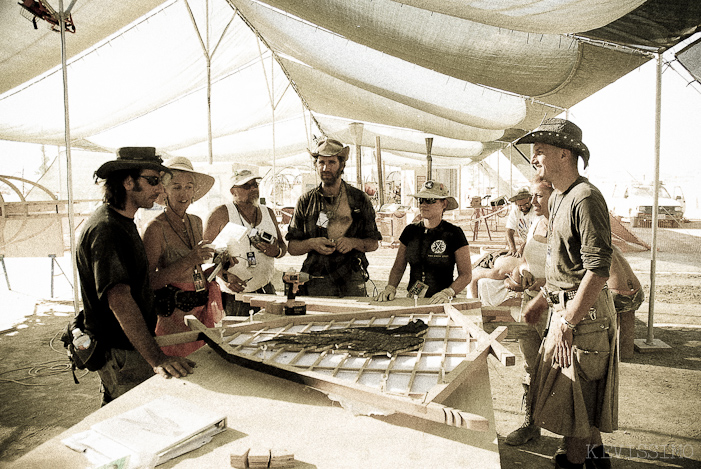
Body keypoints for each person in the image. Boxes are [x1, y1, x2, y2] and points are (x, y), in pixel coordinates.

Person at [516, 118, 617, 469]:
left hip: (583, 318)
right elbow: (564, 267)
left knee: (574, 413)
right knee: (580, 406)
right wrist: (543, 300)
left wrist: (568, 320)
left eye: (540, 151)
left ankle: (577, 462)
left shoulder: (585, 199)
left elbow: (598, 270)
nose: (535, 158)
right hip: (567, 311)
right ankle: (596, 459)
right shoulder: (559, 197)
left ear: (564, 153)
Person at [76, 147, 195, 405]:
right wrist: (157, 359)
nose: (160, 190)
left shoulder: (122, 221)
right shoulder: (107, 229)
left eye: (161, 182)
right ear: (128, 182)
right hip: (120, 350)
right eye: (153, 181)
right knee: (131, 419)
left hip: (128, 346)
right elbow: (119, 298)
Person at [142, 156, 223, 356]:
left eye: (189, 187)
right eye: (176, 187)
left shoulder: (196, 222)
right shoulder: (155, 228)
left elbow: (196, 270)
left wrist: (221, 267)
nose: (184, 193)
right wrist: (190, 259)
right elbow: (149, 281)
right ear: (164, 191)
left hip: (200, 312)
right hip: (173, 319)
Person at [286, 138, 382, 297]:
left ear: (342, 165)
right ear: (316, 165)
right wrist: (312, 243)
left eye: (331, 162)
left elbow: (373, 244)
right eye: (321, 162)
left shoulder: (359, 199)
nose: (325, 167)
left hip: (351, 275)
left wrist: (353, 242)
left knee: (354, 320)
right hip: (316, 277)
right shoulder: (306, 201)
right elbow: (292, 247)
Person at [204, 169, 287, 316]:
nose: (253, 188)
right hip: (234, 295)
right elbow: (205, 256)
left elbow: (282, 246)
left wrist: (277, 251)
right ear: (233, 191)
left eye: (255, 184)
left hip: (265, 290)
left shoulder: (268, 212)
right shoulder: (221, 214)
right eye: (246, 186)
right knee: (237, 337)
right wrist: (224, 276)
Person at [375, 180, 472, 304]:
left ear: (444, 204)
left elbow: (466, 275)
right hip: (414, 299)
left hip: (441, 301)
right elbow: (398, 267)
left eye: (430, 200)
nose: (423, 204)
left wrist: (448, 293)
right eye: (421, 200)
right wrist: (390, 287)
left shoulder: (454, 233)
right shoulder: (410, 231)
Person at [505, 187, 539, 257]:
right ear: (516, 203)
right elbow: (509, 231)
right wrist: (512, 248)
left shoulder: (536, 211)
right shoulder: (515, 212)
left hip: (537, 242)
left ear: (530, 200)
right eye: (520, 205)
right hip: (525, 242)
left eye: (526, 204)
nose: (523, 207)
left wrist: (522, 247)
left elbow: (535, 234)